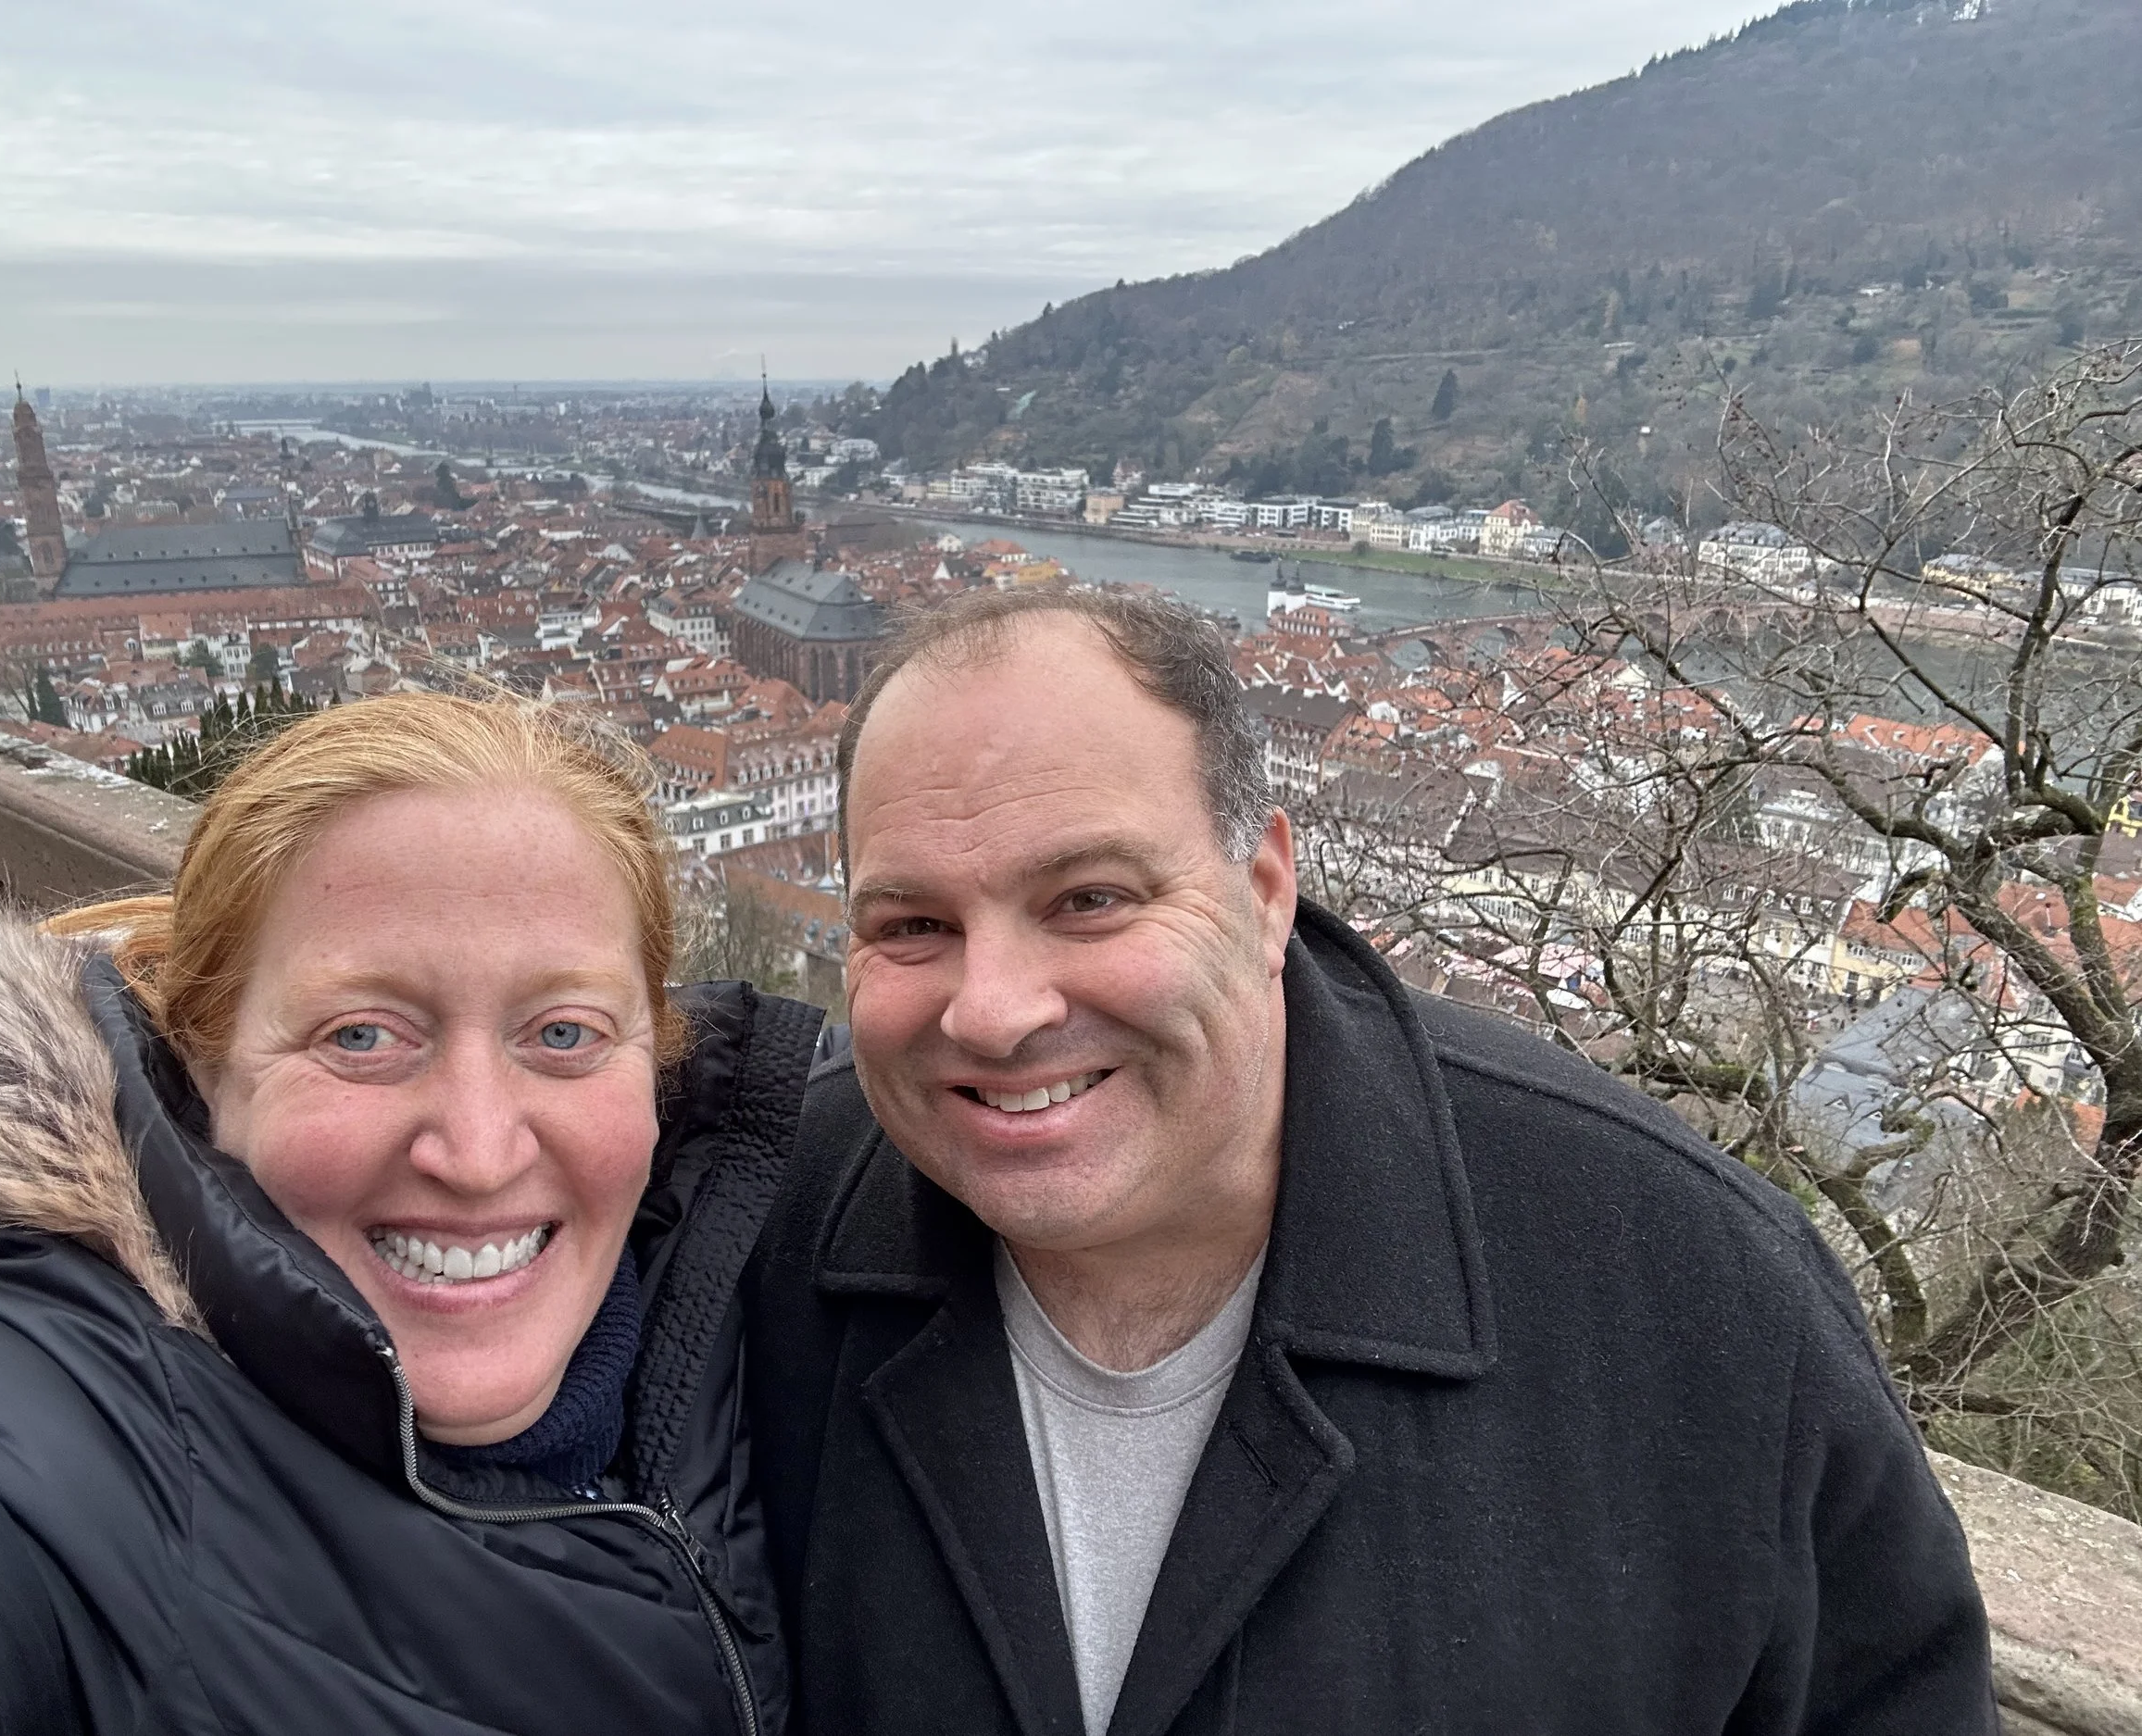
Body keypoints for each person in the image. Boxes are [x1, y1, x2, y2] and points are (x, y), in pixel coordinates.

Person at [744, 587, 1997, 1735]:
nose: (995, 1008)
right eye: (911, 924)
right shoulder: (745, 1245)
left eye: (1091, 898)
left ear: (1267, 884)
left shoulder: (1698, 1300)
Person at [0, 692, 821, 1735]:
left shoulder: (737, 1261)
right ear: (205, 1056)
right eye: (361, 1037)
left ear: (659, 1060)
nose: (479, 1156)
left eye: (564, 1033)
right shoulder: (38, 1396)